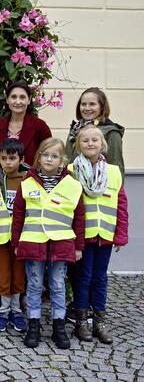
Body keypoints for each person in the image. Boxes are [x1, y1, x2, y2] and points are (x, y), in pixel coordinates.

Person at [12, 137, 85, 349]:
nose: (49, 159)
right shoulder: (27, 182)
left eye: (54, 156)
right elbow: (18, 215)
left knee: (57, 284)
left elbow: (80, 217)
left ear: (62, 160)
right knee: (34, 285)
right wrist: (16, 242)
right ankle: (33, 324)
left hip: (61, 243)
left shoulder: (72, 185)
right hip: (33, 242)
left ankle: (58, 326)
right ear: (39, 157)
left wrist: (78, 246)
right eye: (45, 155)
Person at [69, 125, 128, 344]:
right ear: (78, 145)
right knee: (83, 278)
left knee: (100, 278)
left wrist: (120, 234)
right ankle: (81, 321)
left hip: (105, 235)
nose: (91, 143)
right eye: (85, 140)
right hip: (82, 237)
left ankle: (99, 322)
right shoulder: (72, 171)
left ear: (102, 144)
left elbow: (121, 204)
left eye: (95, 140)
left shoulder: (112, 172)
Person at [0, 139, 28, 333]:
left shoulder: (28, 179)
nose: (7, 163)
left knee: (19, 276)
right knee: (2, 275)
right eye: (3, 158)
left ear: (21, 159)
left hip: (23, 238)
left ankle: (17, 310)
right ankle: (3, 311)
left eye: (12, 158)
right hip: (0, 237)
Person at [65, 87, 125, 177]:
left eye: (92, 104)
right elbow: (66, 160)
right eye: (83, 104)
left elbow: (117, 168)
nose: (87, 108)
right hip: (72, 186)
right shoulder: (75, 129)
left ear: (101, 107)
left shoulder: (111, 132)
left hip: (99, 188)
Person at [0, 80, 52, 166]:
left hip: (31, 178)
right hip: (2, 178)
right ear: (7, 99)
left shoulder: (40, 126)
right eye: (13, 97)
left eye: (22, 97)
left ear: (29, 100)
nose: (18, 101)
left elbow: (49, 155)